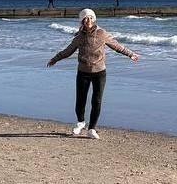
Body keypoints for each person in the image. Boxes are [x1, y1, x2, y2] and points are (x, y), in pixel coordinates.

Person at [47, 9, 138, 140]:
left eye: (90, 18)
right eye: (85, 18)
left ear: (93, 19)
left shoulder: (102, 33)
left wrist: (130, 54)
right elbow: (68, 51)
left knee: (97, 101)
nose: (88, 20)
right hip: (83, 72)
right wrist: (55, 59)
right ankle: (81, 122)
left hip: (99, 72)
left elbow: (116, 46)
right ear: (82, 21)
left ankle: (92, 129)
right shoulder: (79, 37)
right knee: (80, 100)